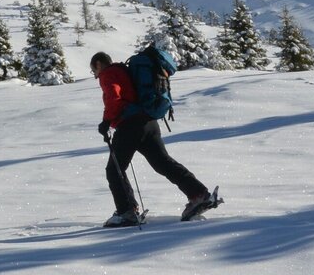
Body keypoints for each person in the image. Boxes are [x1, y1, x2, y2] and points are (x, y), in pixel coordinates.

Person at [90, 51, 219, 226]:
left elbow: (114, 96)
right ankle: (199, 194)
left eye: (94, 71)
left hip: (130, 125)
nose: (96, 75)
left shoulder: (108, 74)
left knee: (114, 170)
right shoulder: (124, 71)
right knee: (163, 163)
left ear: (98, 64)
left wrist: (106, 121)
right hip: (149, 123)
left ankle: (127, 212)